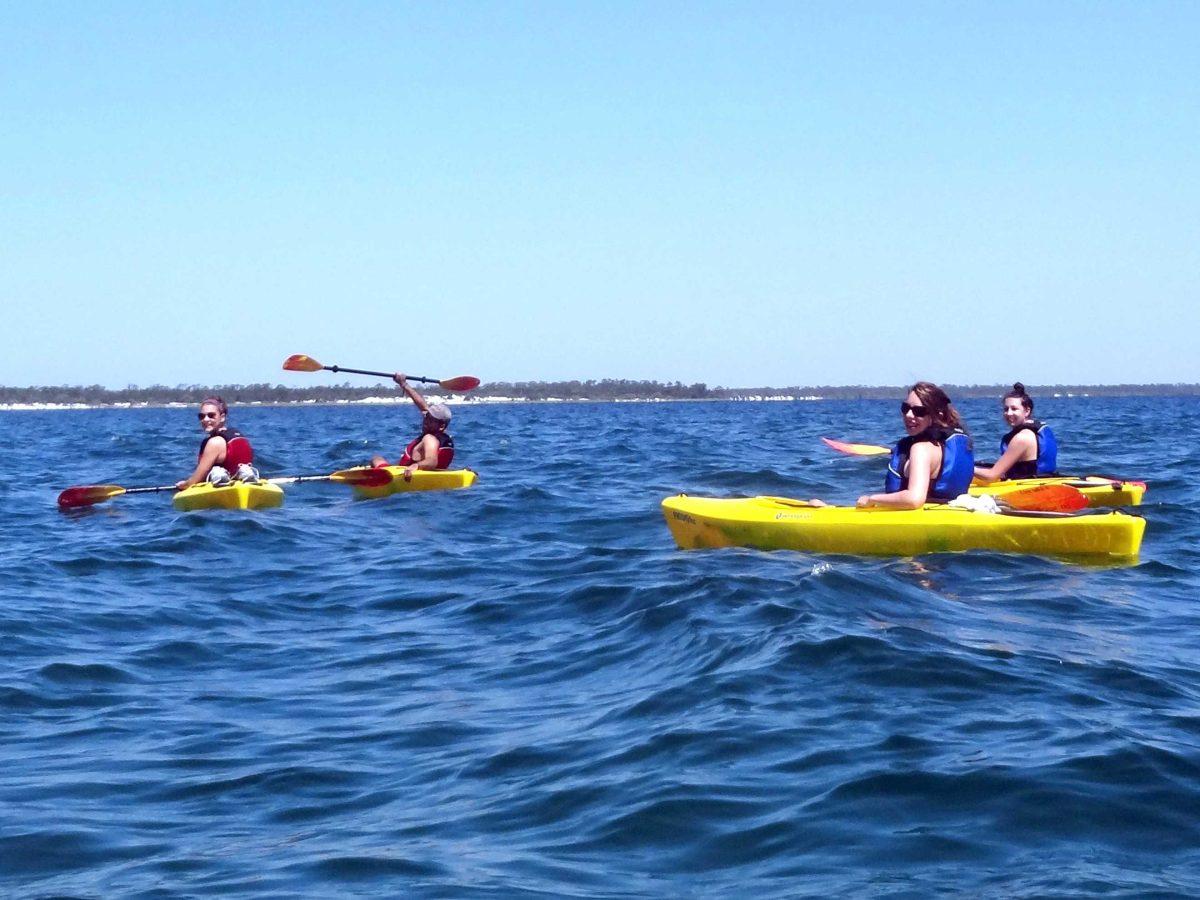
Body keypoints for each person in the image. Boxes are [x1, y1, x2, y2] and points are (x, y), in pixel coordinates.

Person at [855, 381, 974, 509]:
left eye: (919, 411)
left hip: (922, 523)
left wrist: (872, 499)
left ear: (937, 415)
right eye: (905, 408)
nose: (909, 415)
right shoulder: (956, 443)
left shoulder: (921, 449)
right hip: (950, 515)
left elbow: (914, 499)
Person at [370, 373, 455, 480]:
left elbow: (432, 461)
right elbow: (423, 406)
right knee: (376, 459)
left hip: (403, 475)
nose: (425, 420)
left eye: (430, 419)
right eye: (426, 417)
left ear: (441, 425)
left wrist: (415, 466)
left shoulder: (429, 438)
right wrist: (403, 384)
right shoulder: (442, 437)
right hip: (417, 473)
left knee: (376, 459)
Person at [973, 382, 1058, 483]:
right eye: (1006, 409)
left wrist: (966, 467)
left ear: (1027, 411)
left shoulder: (1022, 438)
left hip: (1027, 488)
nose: (1009, 413)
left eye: (1014, 409)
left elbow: (992, 476)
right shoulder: (1032, 432)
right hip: (1042, 481)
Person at [176, 397, 259, 490]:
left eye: (211, 415)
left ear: (222, 417)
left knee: (212, 473)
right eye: (201, 416)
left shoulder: (214, 443)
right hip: (242, 485)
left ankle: (219, 476)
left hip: (223, 491)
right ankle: (245, 474)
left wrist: (184, 485)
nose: (205, 419)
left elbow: (195, 481)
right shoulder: (239, 436)